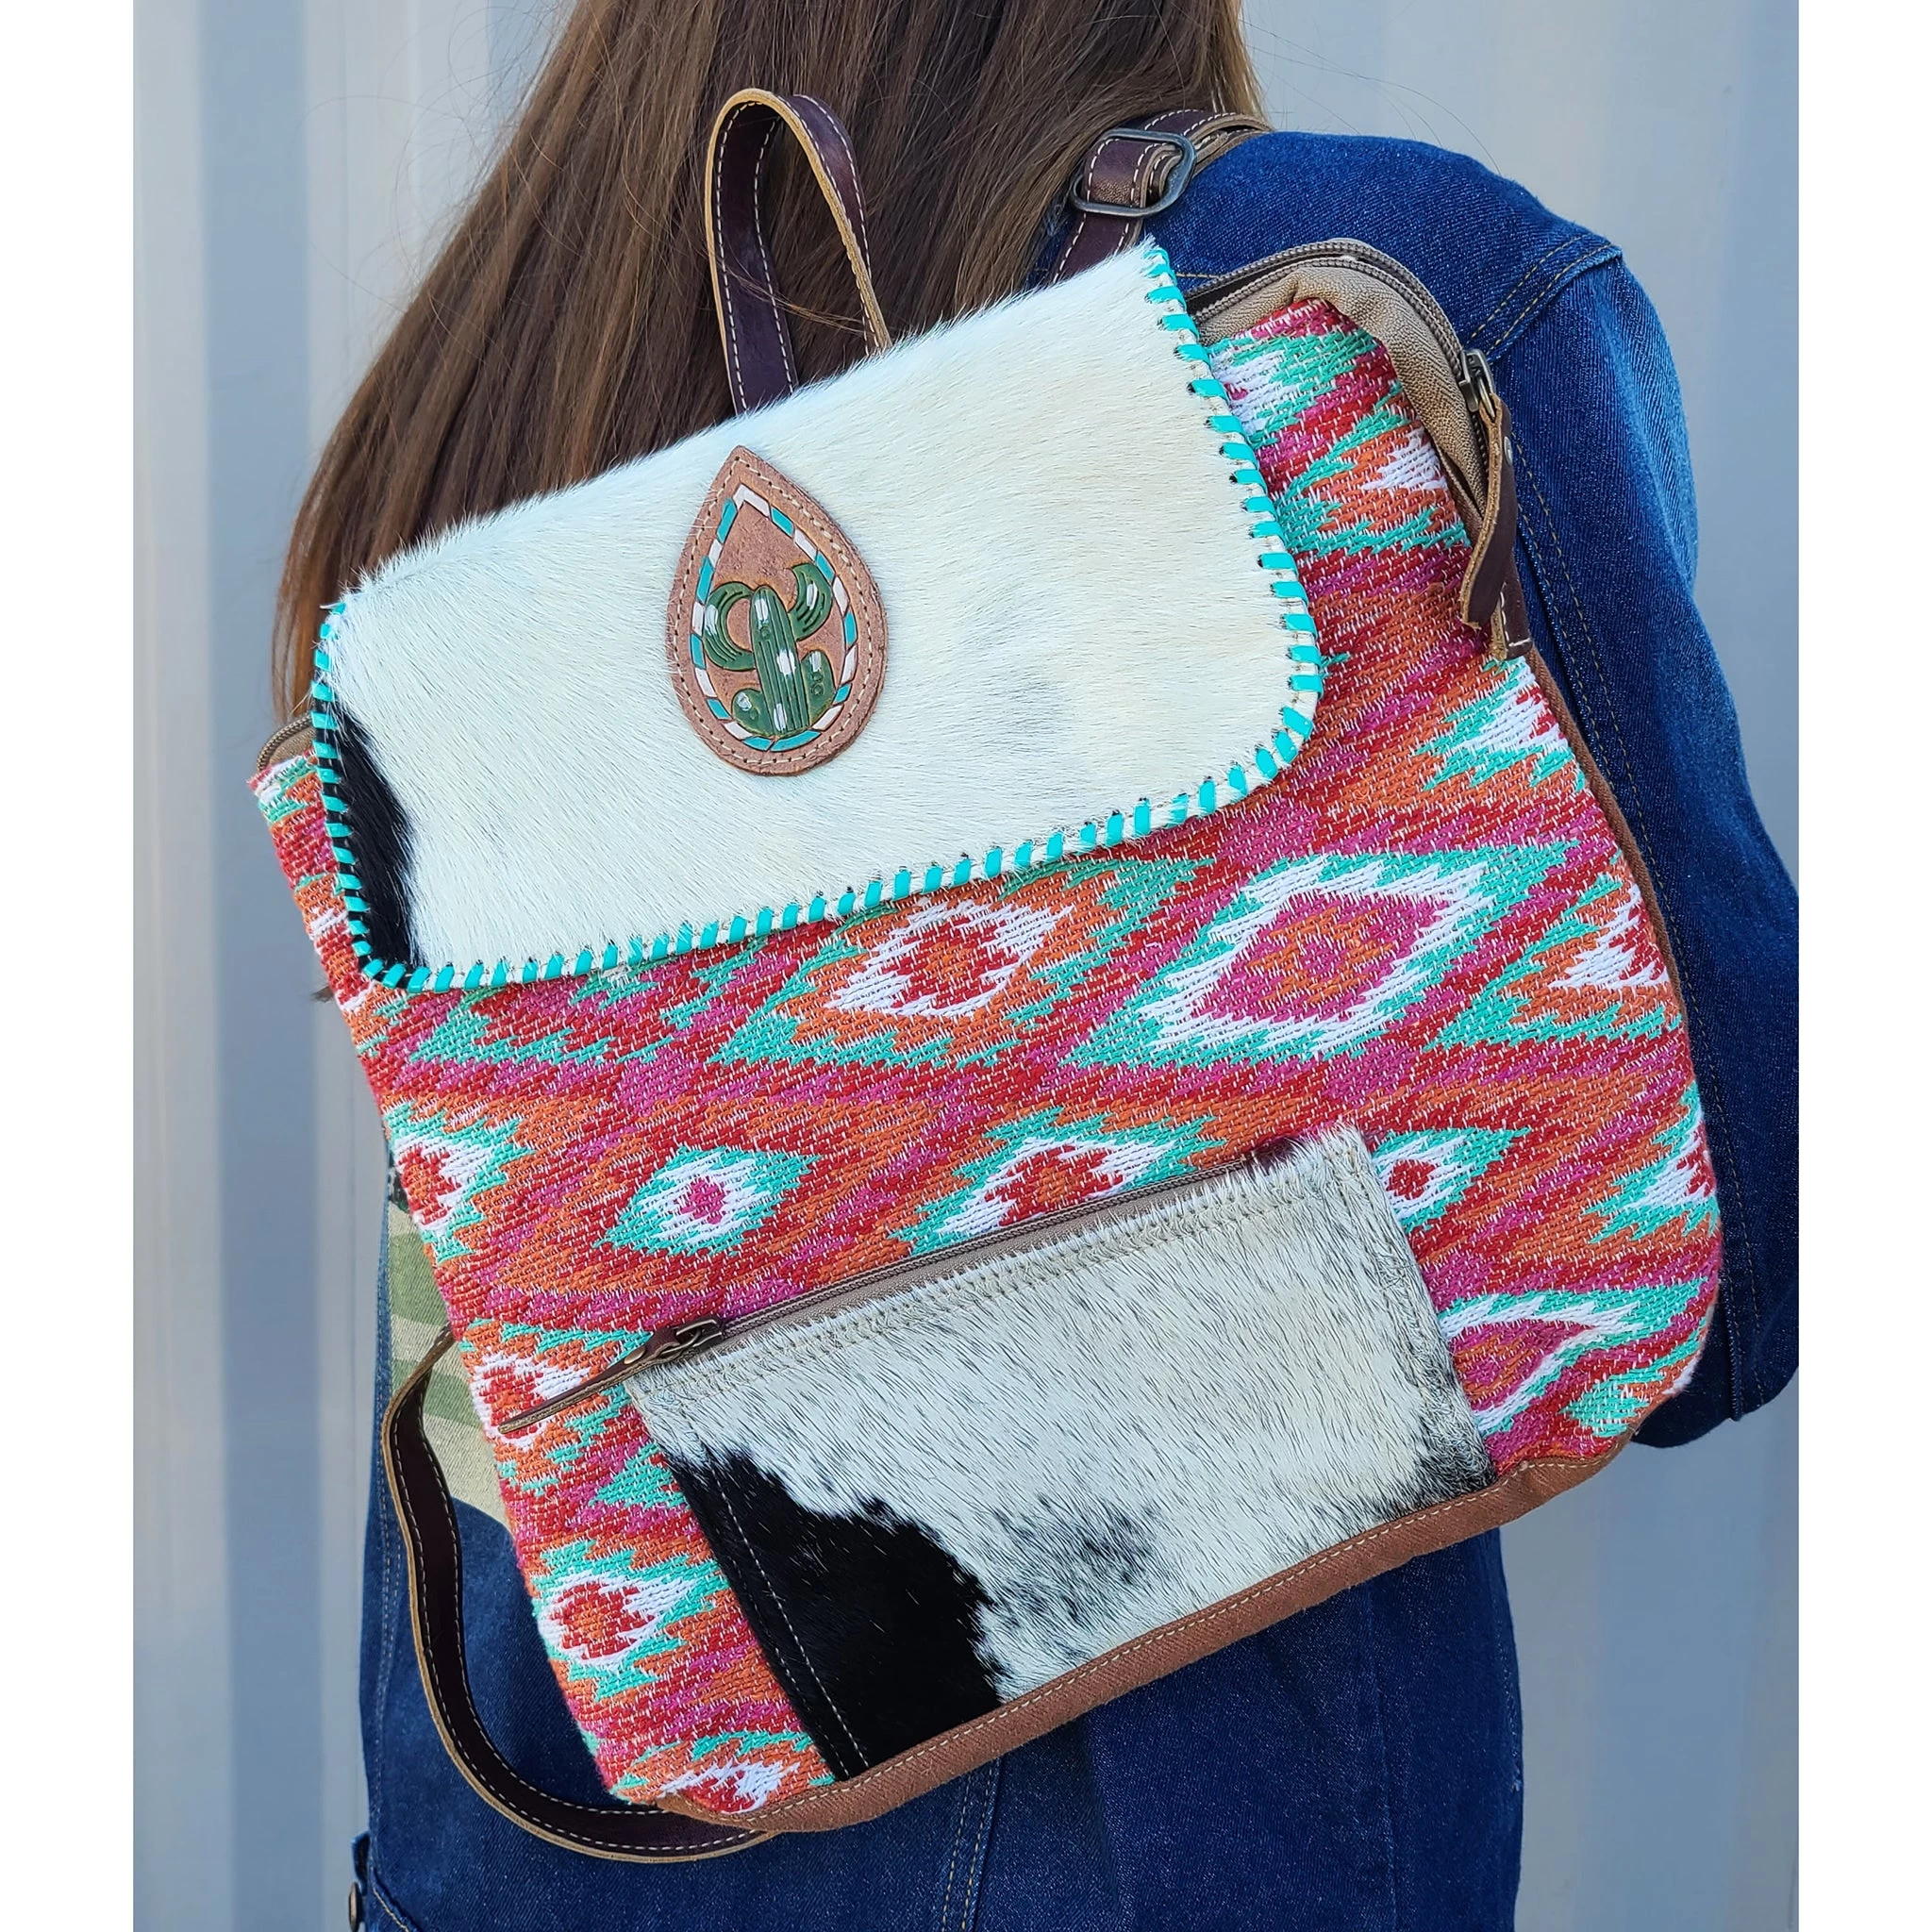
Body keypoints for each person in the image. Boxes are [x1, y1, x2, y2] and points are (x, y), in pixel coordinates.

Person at [275, 3, 1797, 1926]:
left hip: (520, 1820)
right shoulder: (1375, 286)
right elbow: (1719, 1265)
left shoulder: (491, 365)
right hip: (1168, 1859)